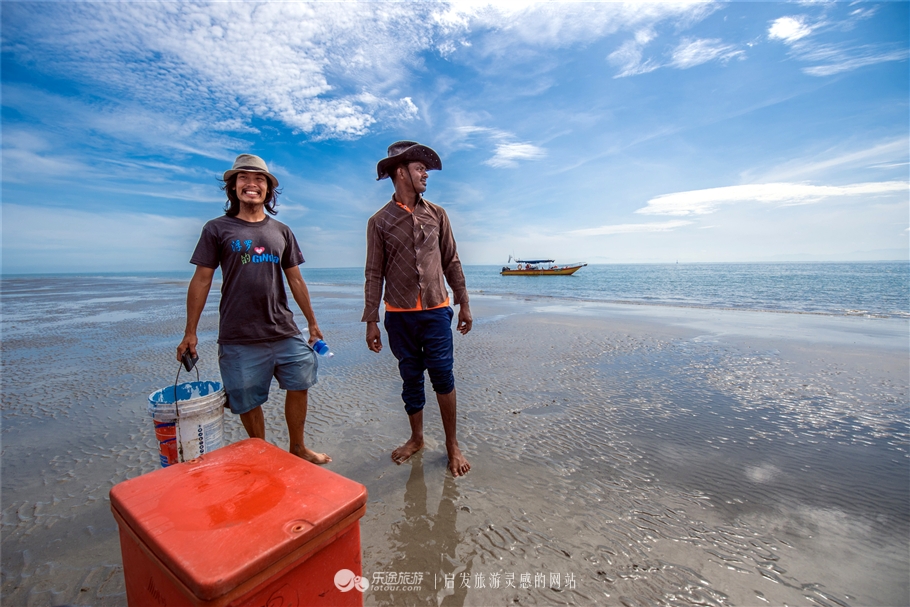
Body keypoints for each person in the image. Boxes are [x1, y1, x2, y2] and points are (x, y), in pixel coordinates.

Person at [176, 154, 330, 464]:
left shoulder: (282, 231)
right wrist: (189, 332)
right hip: (238, 334)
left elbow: (296, 280)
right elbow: (202, 280)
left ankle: (297, 447)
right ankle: (263, 452)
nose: (252, 184)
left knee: (300, 382)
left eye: (259, 179)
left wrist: (312, 324)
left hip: (283, 329)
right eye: (244, 178)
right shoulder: (216, 229)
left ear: (268, 190)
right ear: (232, 187)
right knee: (246, 400)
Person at [363, 141, 472, 477]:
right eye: (419, 168)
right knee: (411, 378)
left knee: (442, 376)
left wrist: (463, 301)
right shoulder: (379, 221)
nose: (426, 173)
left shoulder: (437, 214)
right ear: (401, 171)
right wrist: (371, 320)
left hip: (436, 310)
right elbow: (374, 272)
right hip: (398, 314)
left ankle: (452, 444)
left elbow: (451, 259)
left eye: (426, 169)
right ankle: (417, 438)